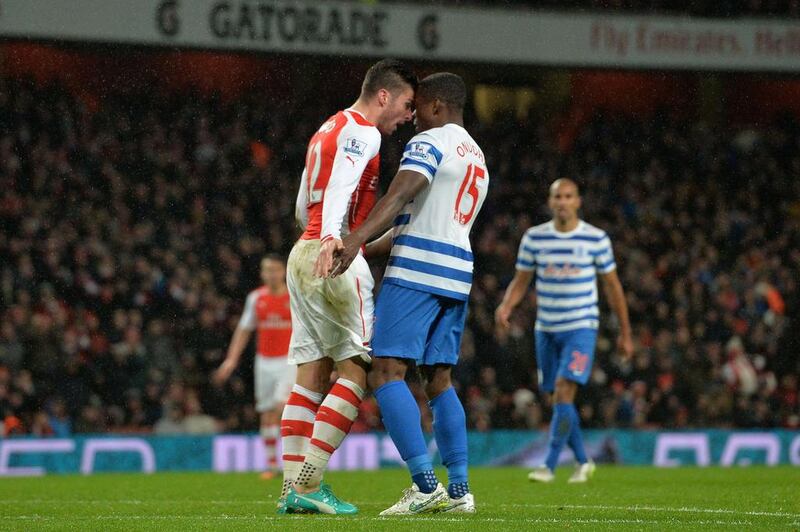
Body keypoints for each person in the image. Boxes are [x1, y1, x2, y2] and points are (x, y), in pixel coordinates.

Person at [332, 73, 488, 515]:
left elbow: (401, 195)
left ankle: (423, 485)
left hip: (418, 270)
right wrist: (358, 243)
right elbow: (410, 223)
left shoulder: (429, 142)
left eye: (417, 106)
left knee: (384, 372)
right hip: (458, 273)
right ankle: (459, 492)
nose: (411, 115)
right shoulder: (476, 156)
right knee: (439, 380)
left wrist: (352, 236)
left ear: (437, 106)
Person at [280, 59, 416, 515]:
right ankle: (309, 482)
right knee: (355, 371)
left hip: (301, 252)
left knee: (310, 376)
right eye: (406, 104)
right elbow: (341, 186)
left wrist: (315, 235)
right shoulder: (364, 131)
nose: (407, 116)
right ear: (383, 95)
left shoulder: (326, 128)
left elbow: (304, 200)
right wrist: (334, 238)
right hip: (335, 253)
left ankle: (290, 490)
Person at [495, 178, 634, 483]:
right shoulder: (535, 239)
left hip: (581, 326)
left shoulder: (595, 239)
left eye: (568, 196)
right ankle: (584, 461)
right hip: (546, 328)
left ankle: (550, 465)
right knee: (559, 399)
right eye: (557, 196)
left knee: (563, 390)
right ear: (550, 201)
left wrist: (625, 332)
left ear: (578, 201)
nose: (562, 201)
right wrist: (506, 306)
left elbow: (613, 287)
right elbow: (522, 280)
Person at [213, 254, 294, 480]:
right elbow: (244, 330)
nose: (271, 274)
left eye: (275, 270)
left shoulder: (294, 295)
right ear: (262, 273)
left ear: (283, 271)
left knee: (282, 406)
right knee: (267, 413)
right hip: (264, 362)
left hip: (289, 360)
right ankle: (271, 465)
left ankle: (295, 459)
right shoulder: (256, 298)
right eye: (266, 270)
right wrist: (231, 359)